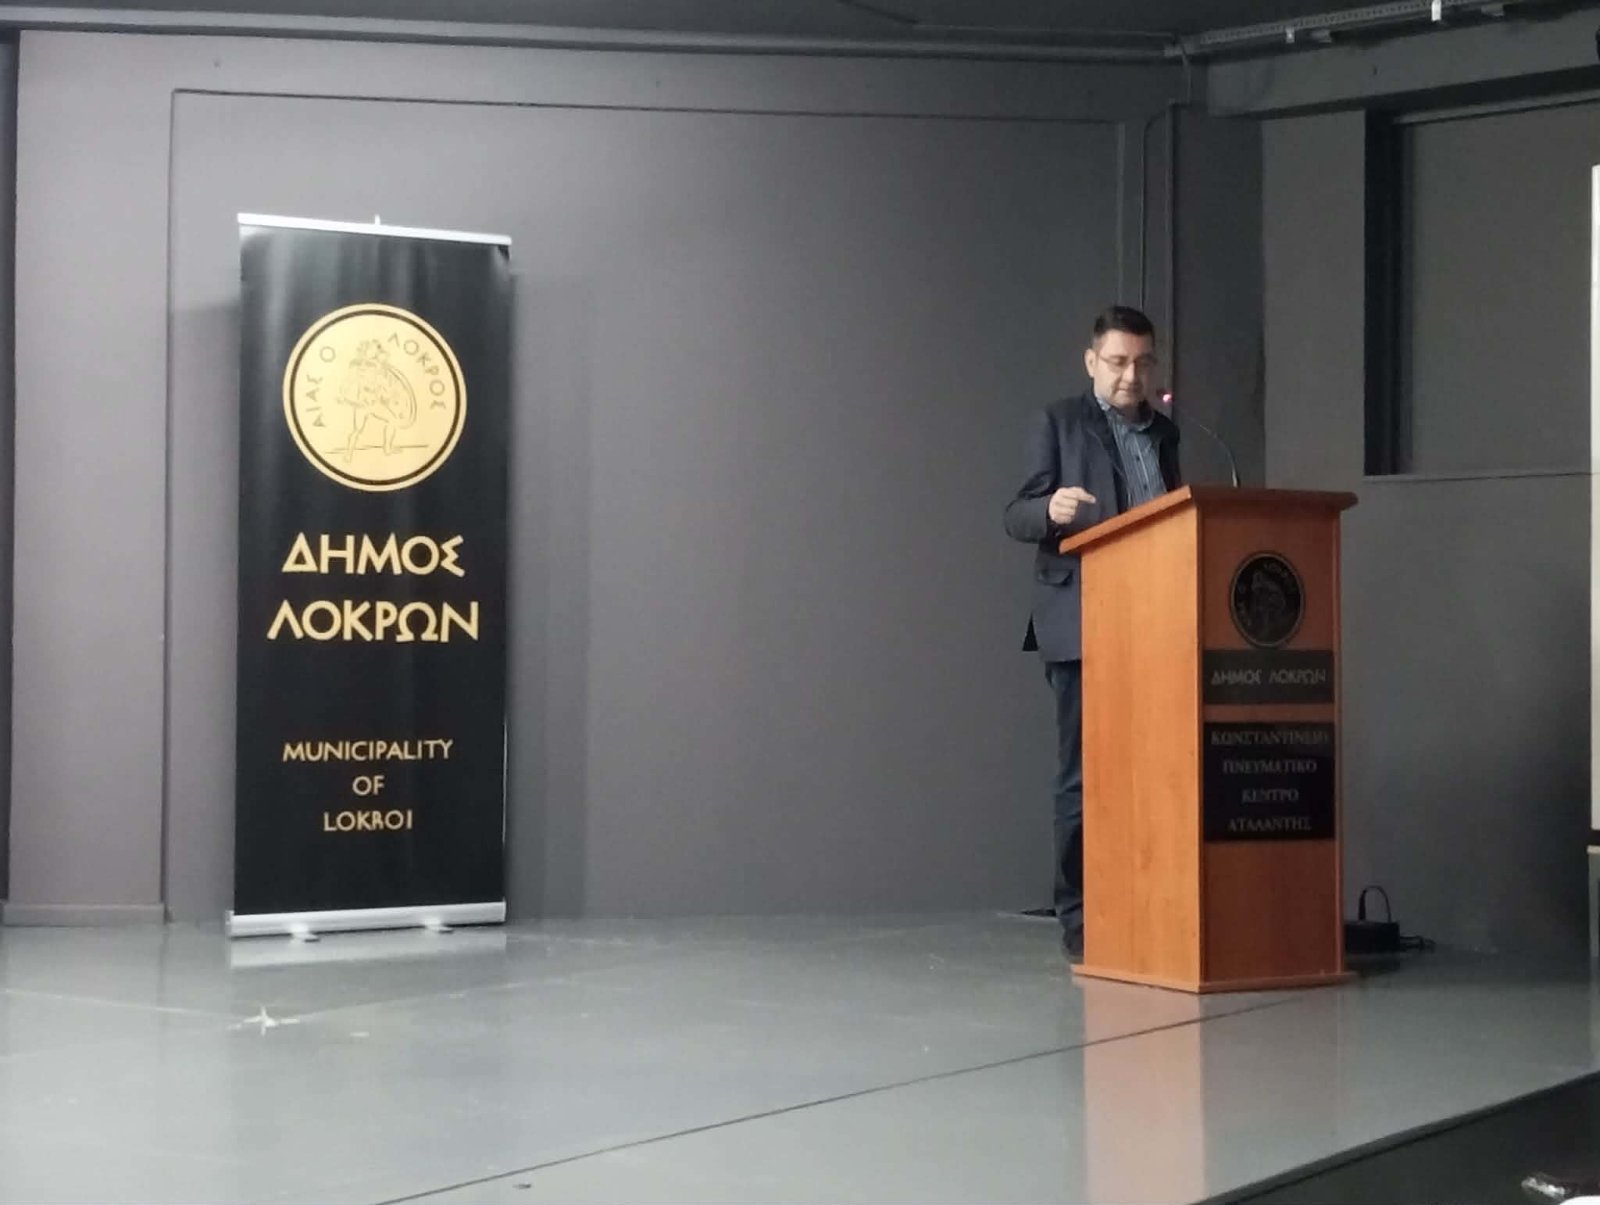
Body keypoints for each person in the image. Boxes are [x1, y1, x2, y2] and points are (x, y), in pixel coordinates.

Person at [1003, 305, 1182, 961]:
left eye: (1143, 362)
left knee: (1158, 769)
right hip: (1082, 619)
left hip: (1157, 622)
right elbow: (1015, 515)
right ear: (1091, 362)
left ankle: (1148, 904)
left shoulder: (1166, 433)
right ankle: (1081, 919)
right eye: (1118, 362)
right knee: (1084, 776)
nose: (1131, 375)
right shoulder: (1059, 422)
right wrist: (1049, 510)